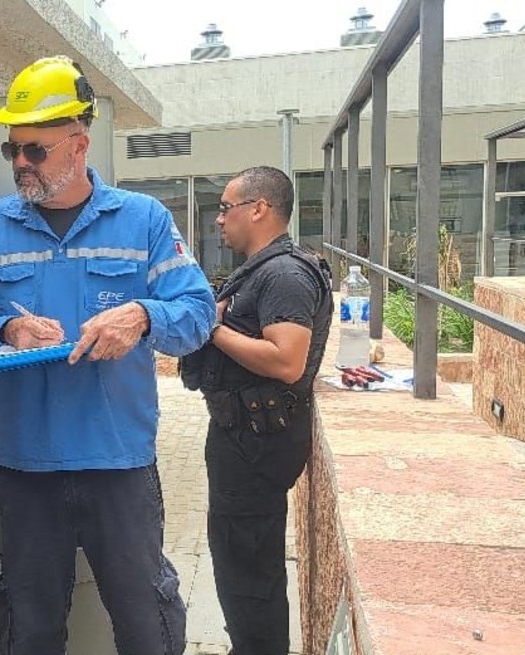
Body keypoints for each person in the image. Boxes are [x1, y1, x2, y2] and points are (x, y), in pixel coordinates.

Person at [0, 55, 215, 655]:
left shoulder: (143, 220)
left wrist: (144, 316)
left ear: (79, 144)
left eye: (35, 150)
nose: (21, 164)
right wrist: (5, 329)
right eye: (12, 150)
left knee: (147, 625)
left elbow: (198, 313)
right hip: (26, 470)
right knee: (30, 630)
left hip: (119, 465)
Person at [180, 166, 332, 655]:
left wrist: (213, 329)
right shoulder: (265, 269)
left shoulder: (284, 274)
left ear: (259, 209)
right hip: (244, 437)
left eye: (226, 208)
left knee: (247, 568)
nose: (219, 219)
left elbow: (287, 361)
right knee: (240, 564)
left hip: (256, 445)